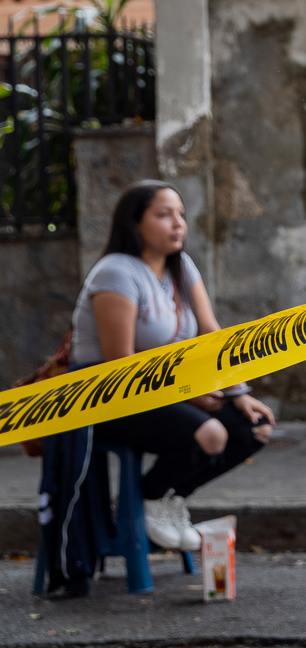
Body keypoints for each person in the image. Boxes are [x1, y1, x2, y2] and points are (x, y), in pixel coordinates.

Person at [67, 181, 275, 552]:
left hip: (165, 392)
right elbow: (121, 363)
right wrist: (192, 396)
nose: (178, 223)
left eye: (180, 214)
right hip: (109, 397)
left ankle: (172, 497)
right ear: (135, 224)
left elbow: (211, 335)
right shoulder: (115, 273)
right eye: (164, 215)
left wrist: (238, 393)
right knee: (211, 433)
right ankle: (147, 498)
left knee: (252, 428)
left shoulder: (181, 267)